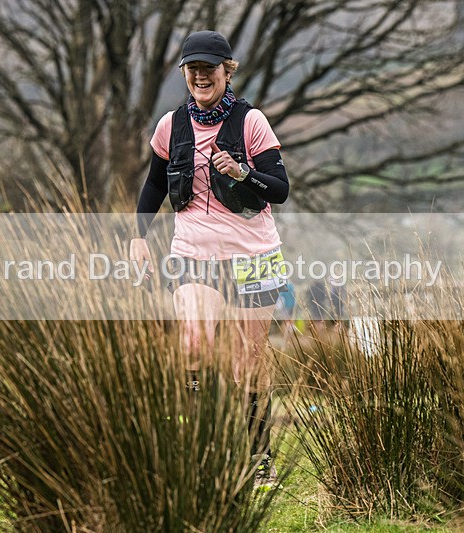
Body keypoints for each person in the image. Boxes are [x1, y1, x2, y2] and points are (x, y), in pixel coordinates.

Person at [129, 30, 290, 489]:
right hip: (192, 254)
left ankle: (258, 457)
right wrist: (138, 236)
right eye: (193, 69)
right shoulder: (171, 125)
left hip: (254, 257)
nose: (201, 76)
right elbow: (155, 184)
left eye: (209, 68)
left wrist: (242, 171)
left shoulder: (251, 122)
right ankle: (197, 452)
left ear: (227, 71)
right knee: (194, 344)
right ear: (185, 73)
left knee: (247, 363)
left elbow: (280, 189)